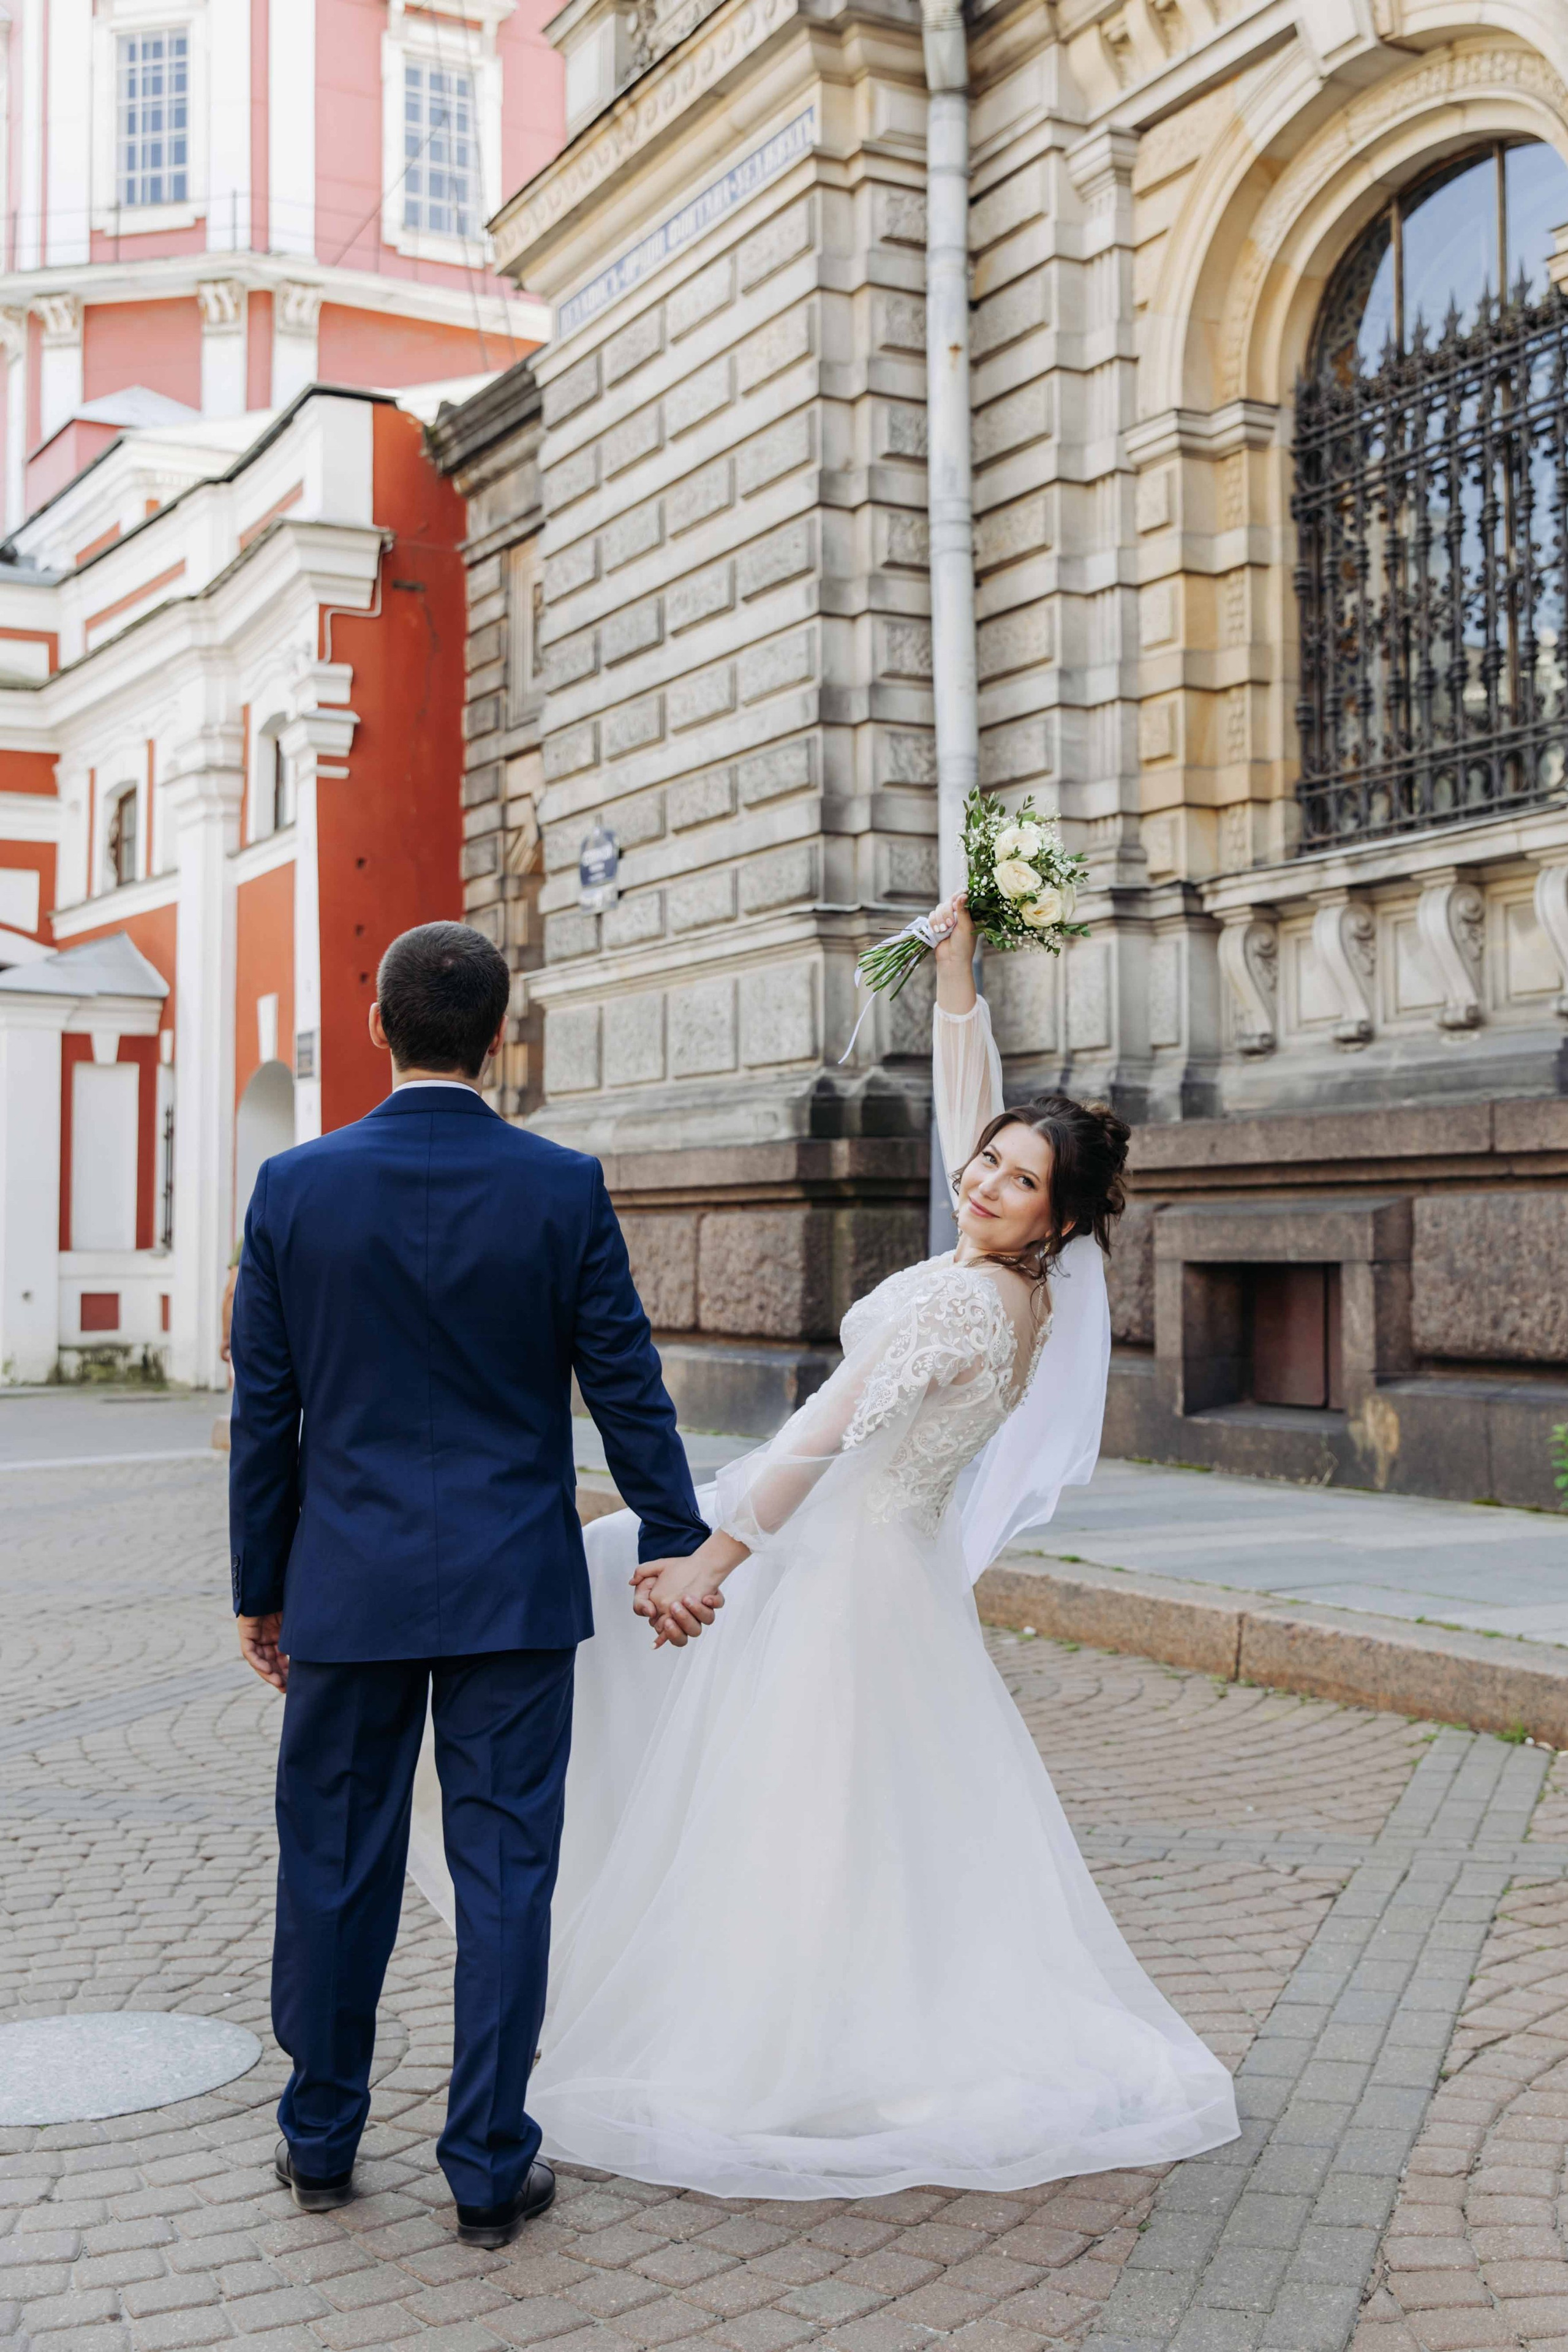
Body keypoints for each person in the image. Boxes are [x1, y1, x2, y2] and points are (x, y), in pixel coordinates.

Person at [407, 892, 1240, 2199]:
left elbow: (824, 1431)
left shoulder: (961, 1302)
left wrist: (712, 1560)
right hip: (890, 1573)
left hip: (838, 1575)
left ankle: (783, 2046)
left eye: (1019, 1182)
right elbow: (971, 1124)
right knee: (865, 1813)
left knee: (794, 1805)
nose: (984, 1182)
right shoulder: (1015, 1287)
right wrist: (957, 981)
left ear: (1061, 1222)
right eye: (989, 1162)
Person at [228, 921, 709, 2250]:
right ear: (501, 1036)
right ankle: (489, 2165)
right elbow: (625, 1383)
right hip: (511, 1583)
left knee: (333, 1860)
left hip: (347, 1583)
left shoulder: (293, 1187)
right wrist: (673, 1533)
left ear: (377, 1026)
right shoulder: (561, 1187)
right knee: (506, 1872)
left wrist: (261, 1587)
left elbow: (266, 1413)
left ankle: (320, 2138)